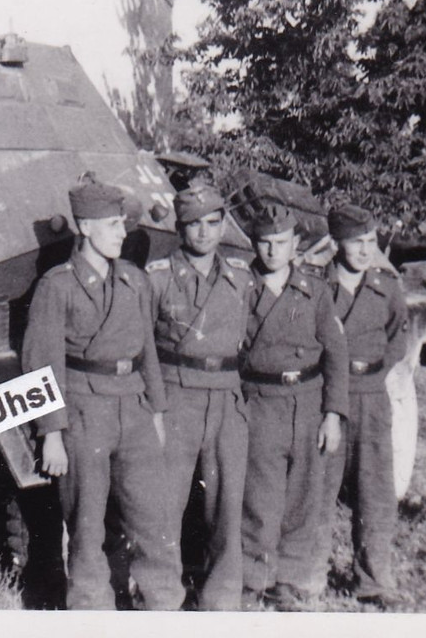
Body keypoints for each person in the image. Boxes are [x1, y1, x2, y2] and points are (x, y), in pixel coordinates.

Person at [21, 175, 184, 611]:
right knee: (88, 526)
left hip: (133, 406)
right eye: (112, 224)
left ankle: (164, 607)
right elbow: (42, 363)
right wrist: (51, 432)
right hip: (83, 408)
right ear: (85, 227)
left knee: (155, 518)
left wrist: (157, 411)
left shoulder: (134, 280)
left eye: (121, 224)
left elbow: (147, 346)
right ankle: (91, 611)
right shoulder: (57, 286)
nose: (122, 232)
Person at [146, 183, 254, 610]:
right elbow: (143, 346)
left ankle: (221, 598)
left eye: (213, 223)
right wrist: (156, 404)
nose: (204, 233)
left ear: (224, 224)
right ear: (179, 228)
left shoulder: (241, 278)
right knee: (164, 504)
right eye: (194, 225)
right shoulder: (157, 277)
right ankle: (161, 596)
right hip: (176, 395)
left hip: (226, 396)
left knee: (226, 503)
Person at [240, 200, 349, 611]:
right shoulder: (240, 288)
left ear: (295, 244)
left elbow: (336, 355)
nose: (272, 251)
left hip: (306, 401)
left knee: (301, 499)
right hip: (260, 401)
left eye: (281, 242)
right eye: (265, 243)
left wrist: (333, 414)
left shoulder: (315, 291)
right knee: (259, 500)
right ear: (254, 243)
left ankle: (287, 581)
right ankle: (254, 580)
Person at [317, 204, 411, 608]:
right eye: (357, 242)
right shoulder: (317, 285)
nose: (365, 250)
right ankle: (309, 576)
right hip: (327, 398)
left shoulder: (387, 286)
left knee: (375, 491)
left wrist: (372, 374)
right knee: (319, 487)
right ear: (336, 243)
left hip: (372, 396)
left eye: (371, 242)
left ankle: (374, 579)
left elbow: (398, 338)